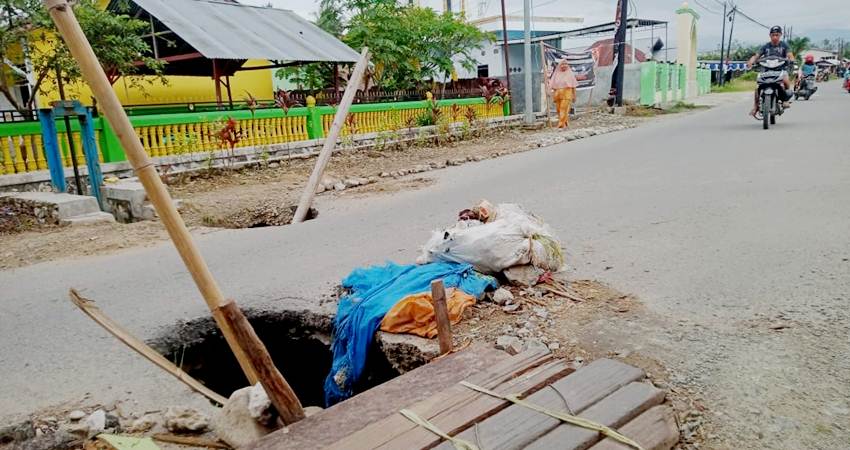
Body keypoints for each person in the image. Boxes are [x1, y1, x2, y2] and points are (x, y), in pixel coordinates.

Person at [747, 26, 795, 118]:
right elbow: (756, 56)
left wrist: (791, 60)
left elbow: (790, 55)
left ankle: (785, 100)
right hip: (766, 70)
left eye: (777, 35)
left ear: (780, 35)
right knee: (758, 87)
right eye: (773, 35)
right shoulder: (766, 46)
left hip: (781, 69)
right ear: (770, 35)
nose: (775, 37)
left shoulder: (784, 45)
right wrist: (751, 61)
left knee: (785, 80)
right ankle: (756, 106)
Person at [549, 59, 578, 128]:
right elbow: (553, 86)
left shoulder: (570, 74)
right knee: (558, 110)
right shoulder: (556, 74)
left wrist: (574, 96)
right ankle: (565, 122)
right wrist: (552, 95)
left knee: (563, 109)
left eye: (565, 64)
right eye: (562, 64)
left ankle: (561, 124)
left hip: (567, 94)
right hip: (558, 95)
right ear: (559, 65)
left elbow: (573, 86)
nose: (564, 65)